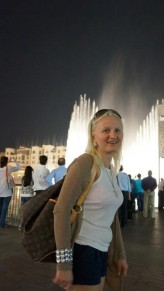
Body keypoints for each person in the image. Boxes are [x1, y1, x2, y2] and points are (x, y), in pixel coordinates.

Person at [53, 109, 128, 291]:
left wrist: (120, 254)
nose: (113, 135)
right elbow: (61, 211)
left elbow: (112, 218)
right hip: (83, 249)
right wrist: (63, 265)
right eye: (106, 130)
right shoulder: (85, 163)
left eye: (117, 130)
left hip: (102, 251)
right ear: (93, 136)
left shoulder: (110, 169)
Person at [0, 156, 21, 228]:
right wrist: (15, 160)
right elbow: (19, 167)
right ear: (6, 162)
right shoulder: (8, 168)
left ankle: (1, 223)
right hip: (6, 191)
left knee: (0, 207)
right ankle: (1, 223)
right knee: (4, 208)